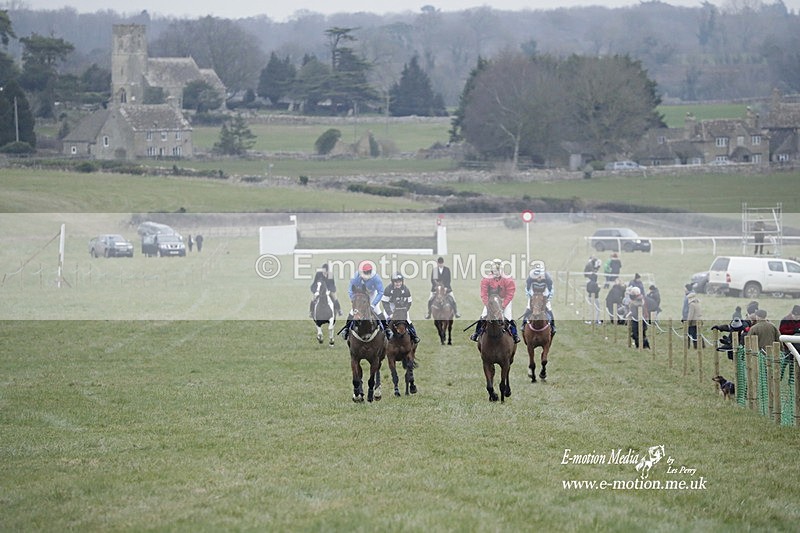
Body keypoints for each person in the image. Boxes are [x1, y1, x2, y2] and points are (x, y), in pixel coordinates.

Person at [470, 258, 519, 343]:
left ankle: (515, 335)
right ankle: (476, 334)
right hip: (491, 302)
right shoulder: (486, 279)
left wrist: (503, 305)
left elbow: (510, 294)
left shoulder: (508, 279)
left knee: (508, 317)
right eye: (495, 269)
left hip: (504, 301)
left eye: (498, 269)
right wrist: (488, 305)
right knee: (483, 316)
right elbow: (484, 294)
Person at [341, 260, 390, 341]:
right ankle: (346, 330)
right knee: (352, 312)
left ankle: (387, 329)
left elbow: (381, 292)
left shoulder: (376, 278)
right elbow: (350, 290)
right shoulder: (356, 277)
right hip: (360, 295)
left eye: (368, 272)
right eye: (365, 272)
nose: (367, 274)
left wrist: (373, 304)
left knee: (377, 310)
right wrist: (354, 300)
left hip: (371, 295)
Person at [382, 272, 420, 344]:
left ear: (402, 281)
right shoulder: (388, 289)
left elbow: (409, 302)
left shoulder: (406, 290)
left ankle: (414, 336)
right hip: (391, 306)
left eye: (399, 281)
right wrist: (390, 313)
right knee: (385, 320)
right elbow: (385, 302)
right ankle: (383, 337)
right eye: (396, 282)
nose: (398, 283)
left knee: (408, 320)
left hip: (402, 307)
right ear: (393, 282)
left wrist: (404, 311)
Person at [523, 260, 556, 336]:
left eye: (540, 275)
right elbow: (527, 289)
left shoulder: (548, 278)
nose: (539, 277)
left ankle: (553, 326)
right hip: (533, 296)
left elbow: (551, 290)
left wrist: (547, 298)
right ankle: (523, 325)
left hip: (544, 296)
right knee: (528, 309)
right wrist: (531, 298)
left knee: (549, 310)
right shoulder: (530, 278)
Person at [585, 260, 601, 324]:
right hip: (595, 297)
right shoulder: (595, 284)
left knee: (591, 309)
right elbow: (596, 290)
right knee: (597, 309)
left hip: (589, 296)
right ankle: (596, 320)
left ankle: (590, 320)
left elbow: (587, 290)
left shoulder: (588, 283)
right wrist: (599, 288)